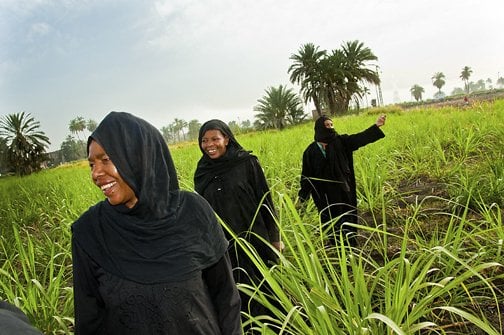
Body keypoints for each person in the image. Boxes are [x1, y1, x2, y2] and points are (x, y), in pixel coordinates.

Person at [71, 112, 241, 335]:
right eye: (91, 164)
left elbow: (226, 297)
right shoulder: (90, 232)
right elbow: (89, 320)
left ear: (140, 157)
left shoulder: (193, 212)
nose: (96, 173)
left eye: (106, 160)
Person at [193, 120, 282, 319]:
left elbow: (265, 200)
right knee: (233, 290)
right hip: (222, 246)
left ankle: (273, 325)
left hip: (254, 239)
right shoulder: (202, 171)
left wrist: (275, 238)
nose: (209, 144)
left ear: (227, 139)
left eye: (215, 139)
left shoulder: (247, 162)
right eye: (204, 140)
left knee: (264, 285)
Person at [298, 114, 386, 247]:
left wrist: (377, 126)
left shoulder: (342, 142)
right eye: (327, 125)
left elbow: (360, 138)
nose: (330, 127)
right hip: (324, 196)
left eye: (331, 124)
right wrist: (302, 198)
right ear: (319, 128)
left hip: (344, 191)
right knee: (330, 222)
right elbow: (306, 177)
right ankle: (336, 247)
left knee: (347, 218)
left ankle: (351, 246)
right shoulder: (310, 152)